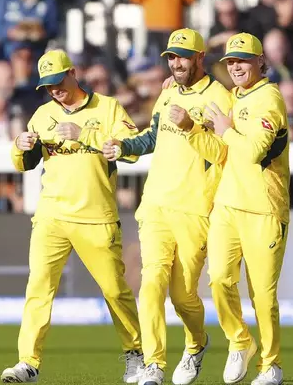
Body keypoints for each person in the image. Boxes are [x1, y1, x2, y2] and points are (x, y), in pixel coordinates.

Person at [2, 49, 144, 383]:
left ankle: (136, 354)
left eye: (57, 81)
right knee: (39, 286)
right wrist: (19, 146)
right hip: (52, 214)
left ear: (73, 73)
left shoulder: (107, 107)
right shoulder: (41, 114)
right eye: (47, 86)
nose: (54, 90)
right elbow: (24, 163)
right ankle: (28, 362)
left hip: (96, 216)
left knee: (114, 290)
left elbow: (132, 150)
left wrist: (86, 136)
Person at [103, 28, 232, 385]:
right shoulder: (168, 92)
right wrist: (124, 148)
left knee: (183, 296)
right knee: (151, 283)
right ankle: (154, 364)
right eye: (171, 57)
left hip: (195, 209)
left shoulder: (219, 97)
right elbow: (152, 137)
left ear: (200, 57)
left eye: (183, 57)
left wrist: (192, 126)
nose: (176, 64)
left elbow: (224, 153)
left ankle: (197, 343)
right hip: (156, 204)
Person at [202, 32, 290, 385]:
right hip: (227, 204)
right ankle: (240, 340)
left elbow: (253, 152)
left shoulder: (269, 99)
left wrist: (224, 129)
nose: (236, 67)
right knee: (219, 280)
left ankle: (271, 366)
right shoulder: (235, 97)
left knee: (262, 296)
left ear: (259, 62)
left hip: (264, 210)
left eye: (242, 60)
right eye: (231, 62)